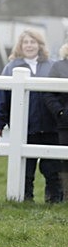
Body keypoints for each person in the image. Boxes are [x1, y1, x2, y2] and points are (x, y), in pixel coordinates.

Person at [0, 29, 63, 203]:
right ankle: (23, 201)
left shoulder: (52, 66)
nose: (29, 45)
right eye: (26, 42)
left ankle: (54, 202)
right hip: (25, 128)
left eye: (33, 42)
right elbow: (1, 96)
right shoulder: (12, 67)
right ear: (20, 46)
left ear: (40, 45)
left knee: (53, 169)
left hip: (51, 128)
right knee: (25, 170)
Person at [44, 40, 68, 194]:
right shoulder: (58, 67)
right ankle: (66, 196)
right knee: (64, 162)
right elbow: (48, 93)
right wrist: (60, 112)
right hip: (65, 123)